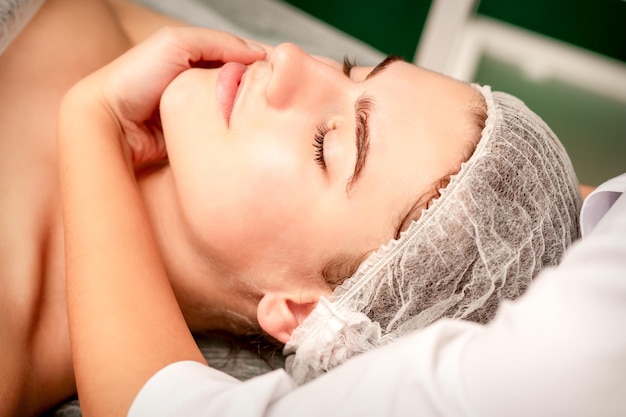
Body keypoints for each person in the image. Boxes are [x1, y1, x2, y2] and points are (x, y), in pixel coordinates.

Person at [1, 0, 581, 416]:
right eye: (352, 68)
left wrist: (94, 120)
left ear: (305, 312)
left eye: (326, 146)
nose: (289, 59)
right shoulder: (173, 55)